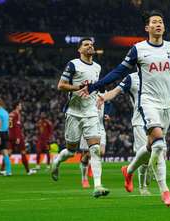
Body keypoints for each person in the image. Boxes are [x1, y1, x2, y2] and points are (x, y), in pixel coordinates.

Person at [79, 10, 170, 206]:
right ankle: (165, 191)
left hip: (167, 104)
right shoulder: (138, 49)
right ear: (147, 28)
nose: (158, 24)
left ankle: (129, 170)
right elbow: (119, 71)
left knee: (151, 147)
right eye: (154, 22)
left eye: (161, 22)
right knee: (159, 144)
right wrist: (94, 86)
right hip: (148, 103)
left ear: (164, 27)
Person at [51, 37, 109, 198]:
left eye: (91, 44)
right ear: (79, 49)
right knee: (71, 151)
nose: (90, 46)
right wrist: (77, 87)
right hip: (74, 112)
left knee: (95, 149)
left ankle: (97, 185)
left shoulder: (98, 67)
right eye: (86, 44)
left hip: (90, 112)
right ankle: (56, 162)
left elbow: (95, 88)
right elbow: (60, 85)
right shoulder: (73, 64)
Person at [102, 72, 152, 195]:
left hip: (156, 119)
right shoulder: (131, 78)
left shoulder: (156, 75)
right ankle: (143, 187)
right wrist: (103, 97)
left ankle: (128, 170)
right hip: (140, 120)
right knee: (145, 154)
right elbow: (115, 91)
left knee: (154, 152)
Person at [79, 93, 111, 189]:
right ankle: (84, 178)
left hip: (100, 127)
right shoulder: (85, 93)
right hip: (87, 126)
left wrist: (107, 115)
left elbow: (107, 107)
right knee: (85, 155)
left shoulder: (104, 93)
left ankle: (91, 163)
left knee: (101, 152)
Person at [7, 101, 36, 175]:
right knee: (23, 152)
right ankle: (28, 171)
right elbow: (16, 127)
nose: (21, 106)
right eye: (20, 105)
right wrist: (18, 137)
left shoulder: (10, 114)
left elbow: (9, 125)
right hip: (17, 136)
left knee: (8, 153)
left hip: (10, 135)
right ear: (17, 106)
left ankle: (2, 170)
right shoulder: (17, 114)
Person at [0, 98, 11, 176]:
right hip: (6, 133)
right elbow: (7, 124)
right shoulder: (6, 112)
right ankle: (8, 171)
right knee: (5, 153)